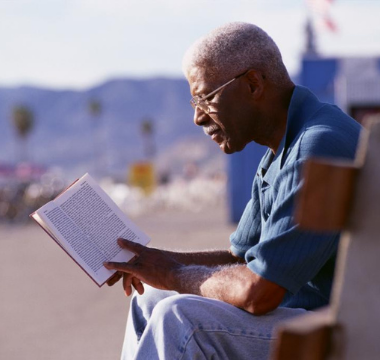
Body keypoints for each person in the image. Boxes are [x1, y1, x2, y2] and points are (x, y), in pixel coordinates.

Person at [104, 22, 362, 359]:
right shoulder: (283, 146)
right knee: (149, 297)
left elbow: (259, 293)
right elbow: (240, 258)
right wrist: (150, 262)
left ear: (253, 84)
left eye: (205, 98)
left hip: (342, 331)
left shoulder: (317, 146)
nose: (198, 117)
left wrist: (171, 273)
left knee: (181, 319)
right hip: (305, 317)